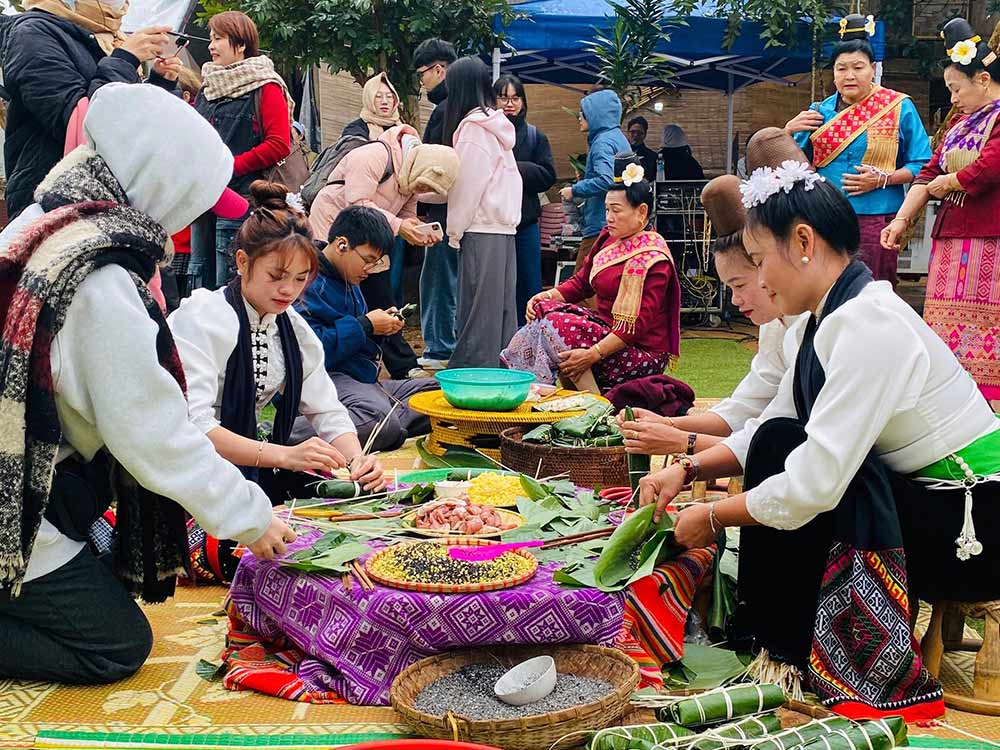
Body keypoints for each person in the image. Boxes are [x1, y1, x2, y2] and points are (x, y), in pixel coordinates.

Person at [638, 162, 1000, 721]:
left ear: (803, 242)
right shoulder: (825, 319)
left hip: (972, 529)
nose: (757, 283)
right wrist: (686, 473)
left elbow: (813, 485)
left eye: (759, 262)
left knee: (820, 470)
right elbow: (768, 427)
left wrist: (712, 518)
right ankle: (780, 642)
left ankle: (803, 648)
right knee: (783, 439)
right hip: (928, 506)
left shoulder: (869, 323)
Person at [0, 82, 295, 684]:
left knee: (106, 564)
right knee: (118, 645)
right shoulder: (98, 279)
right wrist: (249, 516)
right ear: (166, 188)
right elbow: (154, 433)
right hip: (17, 497)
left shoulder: (45, 219)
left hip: (27, 470)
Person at [169, 181, 386, 505]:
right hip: (184, 473)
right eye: (277, 275)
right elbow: (194, 426)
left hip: (248, 473)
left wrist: (358, 461)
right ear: (243, 262)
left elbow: (326, 409)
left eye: (300, 279)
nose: (289, 290)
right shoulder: (204, 318)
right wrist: (283, 456)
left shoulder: (292, 328)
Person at [620, 171, 806, 456]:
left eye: (740, 284)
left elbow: (778, 442)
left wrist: (684, 442)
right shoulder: (777, 326)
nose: (735, 299)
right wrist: (669, 425)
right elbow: (745, 407)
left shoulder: (818, 325)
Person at [883, 17, 1000, 409]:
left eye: (956, 88)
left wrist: (948, 184)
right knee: (945, 325)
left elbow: (988, 168)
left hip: (991, 237)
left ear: (983, 80)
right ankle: (953, 402)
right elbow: (927, 173)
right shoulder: (957, 129)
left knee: (989, 327)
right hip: (952, 240)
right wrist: (901, 219)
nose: (952, 99)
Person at [503, 154, 680, 394]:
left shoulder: (652, 259)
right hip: (604, 333)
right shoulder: (607, 237)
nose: (609, 217)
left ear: (641, 212)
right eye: (607, 209)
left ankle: (595, 403)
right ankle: (525, 389)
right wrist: (546, 297)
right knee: (544, 313)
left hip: (638, 351)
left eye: (616, 210)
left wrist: (592, 354)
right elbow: (581, 283)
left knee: (557, 324)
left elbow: (633, 328)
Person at [785, 14, 931, 288]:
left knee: (873, 290)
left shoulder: (898, 107)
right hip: (824, 217)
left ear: (873, 68)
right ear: (833, 73)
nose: (849, 76)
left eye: (858, 67)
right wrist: (788, 132)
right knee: (824, 289)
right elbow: (792, 168)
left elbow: (923, 165)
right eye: (841, 69)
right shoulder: (819, 112)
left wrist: (884, 179)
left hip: (876, 217)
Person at [2, 1, 181, 220]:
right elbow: (81, 125)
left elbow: (129, 127)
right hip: (53, 209)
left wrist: (160, 83)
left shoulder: (105, 39)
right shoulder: (32, 33)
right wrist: (125, 60)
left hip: (108, 203)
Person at [309, 124, 459, 379]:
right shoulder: (373, 156)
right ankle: (348, 364)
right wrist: (400, 227)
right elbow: (357, 202)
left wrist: (416, 231)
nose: (420, 192)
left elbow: (407, 215)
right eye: (422, 187)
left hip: (373, 239)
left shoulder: (410, 174)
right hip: (337, 226)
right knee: (342, 295)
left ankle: (389, 363)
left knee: (380, 296)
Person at [297, 207, 439, 451]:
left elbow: (360, 344)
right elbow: (308, 352)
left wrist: (381, 328)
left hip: (363, 383)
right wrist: (365, 325)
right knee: (379, 420)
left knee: (443, 396)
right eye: (368, 260)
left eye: (377, 262)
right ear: (342, 244)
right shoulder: (307, 281)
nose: (370, 269)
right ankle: (276, 433)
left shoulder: (348, 277)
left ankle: (382, 422)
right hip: (327, 378)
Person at [191, 10, 292, 290]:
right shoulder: (208, 87)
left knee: (230, 284)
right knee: (200, 283)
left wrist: (229, 166)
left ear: (241, 43)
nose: (211, 46)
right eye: (211, 39)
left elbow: (278, 144)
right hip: (205, 200)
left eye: (218, 39)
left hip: (243, 199)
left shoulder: (265, 85)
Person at [442, 56, 522, 369]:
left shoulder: (474, 129)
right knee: (500, 312)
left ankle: (471, 379)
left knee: (477, 314)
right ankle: (503, 377)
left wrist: (454, 231)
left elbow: (467, 187)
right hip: (503, 229)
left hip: (481, 228)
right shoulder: (496, 126)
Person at [494, 74, 557, 327]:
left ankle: (530, 336)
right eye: (503, 98)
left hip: (525, 224)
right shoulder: (487, 134)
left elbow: (547, 176)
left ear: (523, 101)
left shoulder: (534, 137)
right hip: (494, 225)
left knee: (529, 285)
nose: (510, 104)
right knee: (496, 286)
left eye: (515, 97)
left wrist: (513, 167)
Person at [413, 38, 459, 370]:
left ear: (439, 69)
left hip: (442, 210)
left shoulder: (447, 110)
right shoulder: (464, 106)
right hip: (455, 211)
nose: (422, 82)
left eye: (423, 75)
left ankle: (440, 350)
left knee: (438, 281)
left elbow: (435, 166)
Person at [560, 89, 631, 273]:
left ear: (596, 115)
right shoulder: (618, 138)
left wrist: (575, 190)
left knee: (582, 284)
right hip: (619, 221)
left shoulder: (602, 143)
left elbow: (606, 179)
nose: (579, 117)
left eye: (584, 113)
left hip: (600, 225)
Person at [343, 72, 402, 140]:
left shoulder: (402, 129)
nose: (384, 102)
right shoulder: (355, 129)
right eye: (378, 96)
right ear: (369, 100)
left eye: (389, 96)